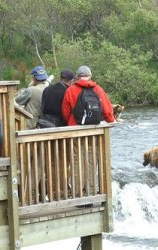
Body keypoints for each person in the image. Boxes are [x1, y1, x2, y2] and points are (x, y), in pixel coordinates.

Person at [61, 66, 115, 198]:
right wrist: (111, 120)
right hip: (94, 133)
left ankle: (78, 193)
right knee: (91, 161)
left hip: (76, 132)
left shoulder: (71, 90)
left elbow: (65, 112)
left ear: (77, 77)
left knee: (76, 162)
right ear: (90, 76)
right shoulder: (98, 89)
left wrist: (71, 122)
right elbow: (108, 111)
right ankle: (90, 192)